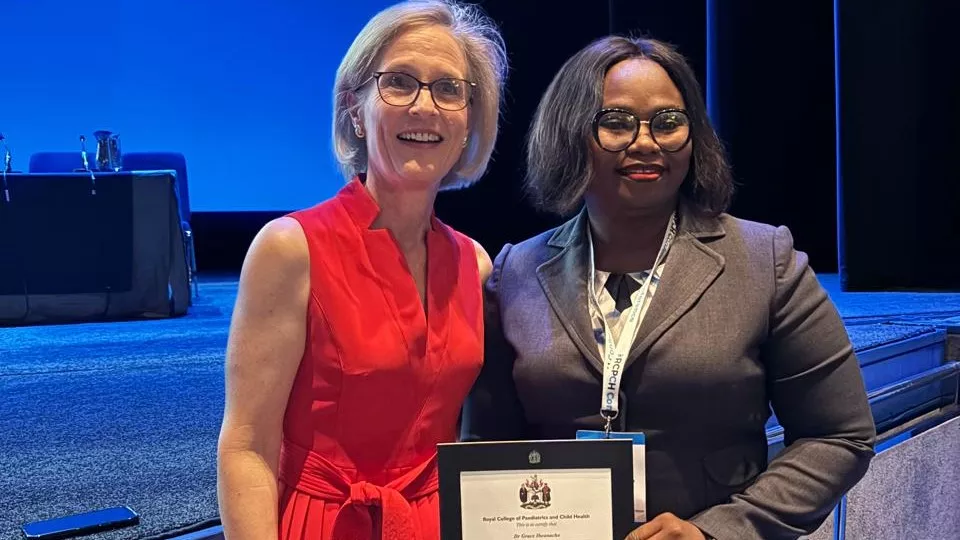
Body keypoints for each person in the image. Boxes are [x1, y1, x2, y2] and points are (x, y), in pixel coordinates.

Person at [461, 36, 875, 540]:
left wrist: (719, 531)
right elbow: (486, 448)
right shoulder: (515, 272)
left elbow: (838, 435)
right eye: (614, 123)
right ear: (569, 135)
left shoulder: (766, 260)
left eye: (668, 122)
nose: (645, 142)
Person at [216, 1, 507, 539]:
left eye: (449, 89)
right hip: (325, 524)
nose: (426, 107)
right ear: (355, 109)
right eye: (399, 83)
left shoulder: (476, 262)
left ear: (470, 120)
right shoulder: (290, 248)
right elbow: (246, 447)